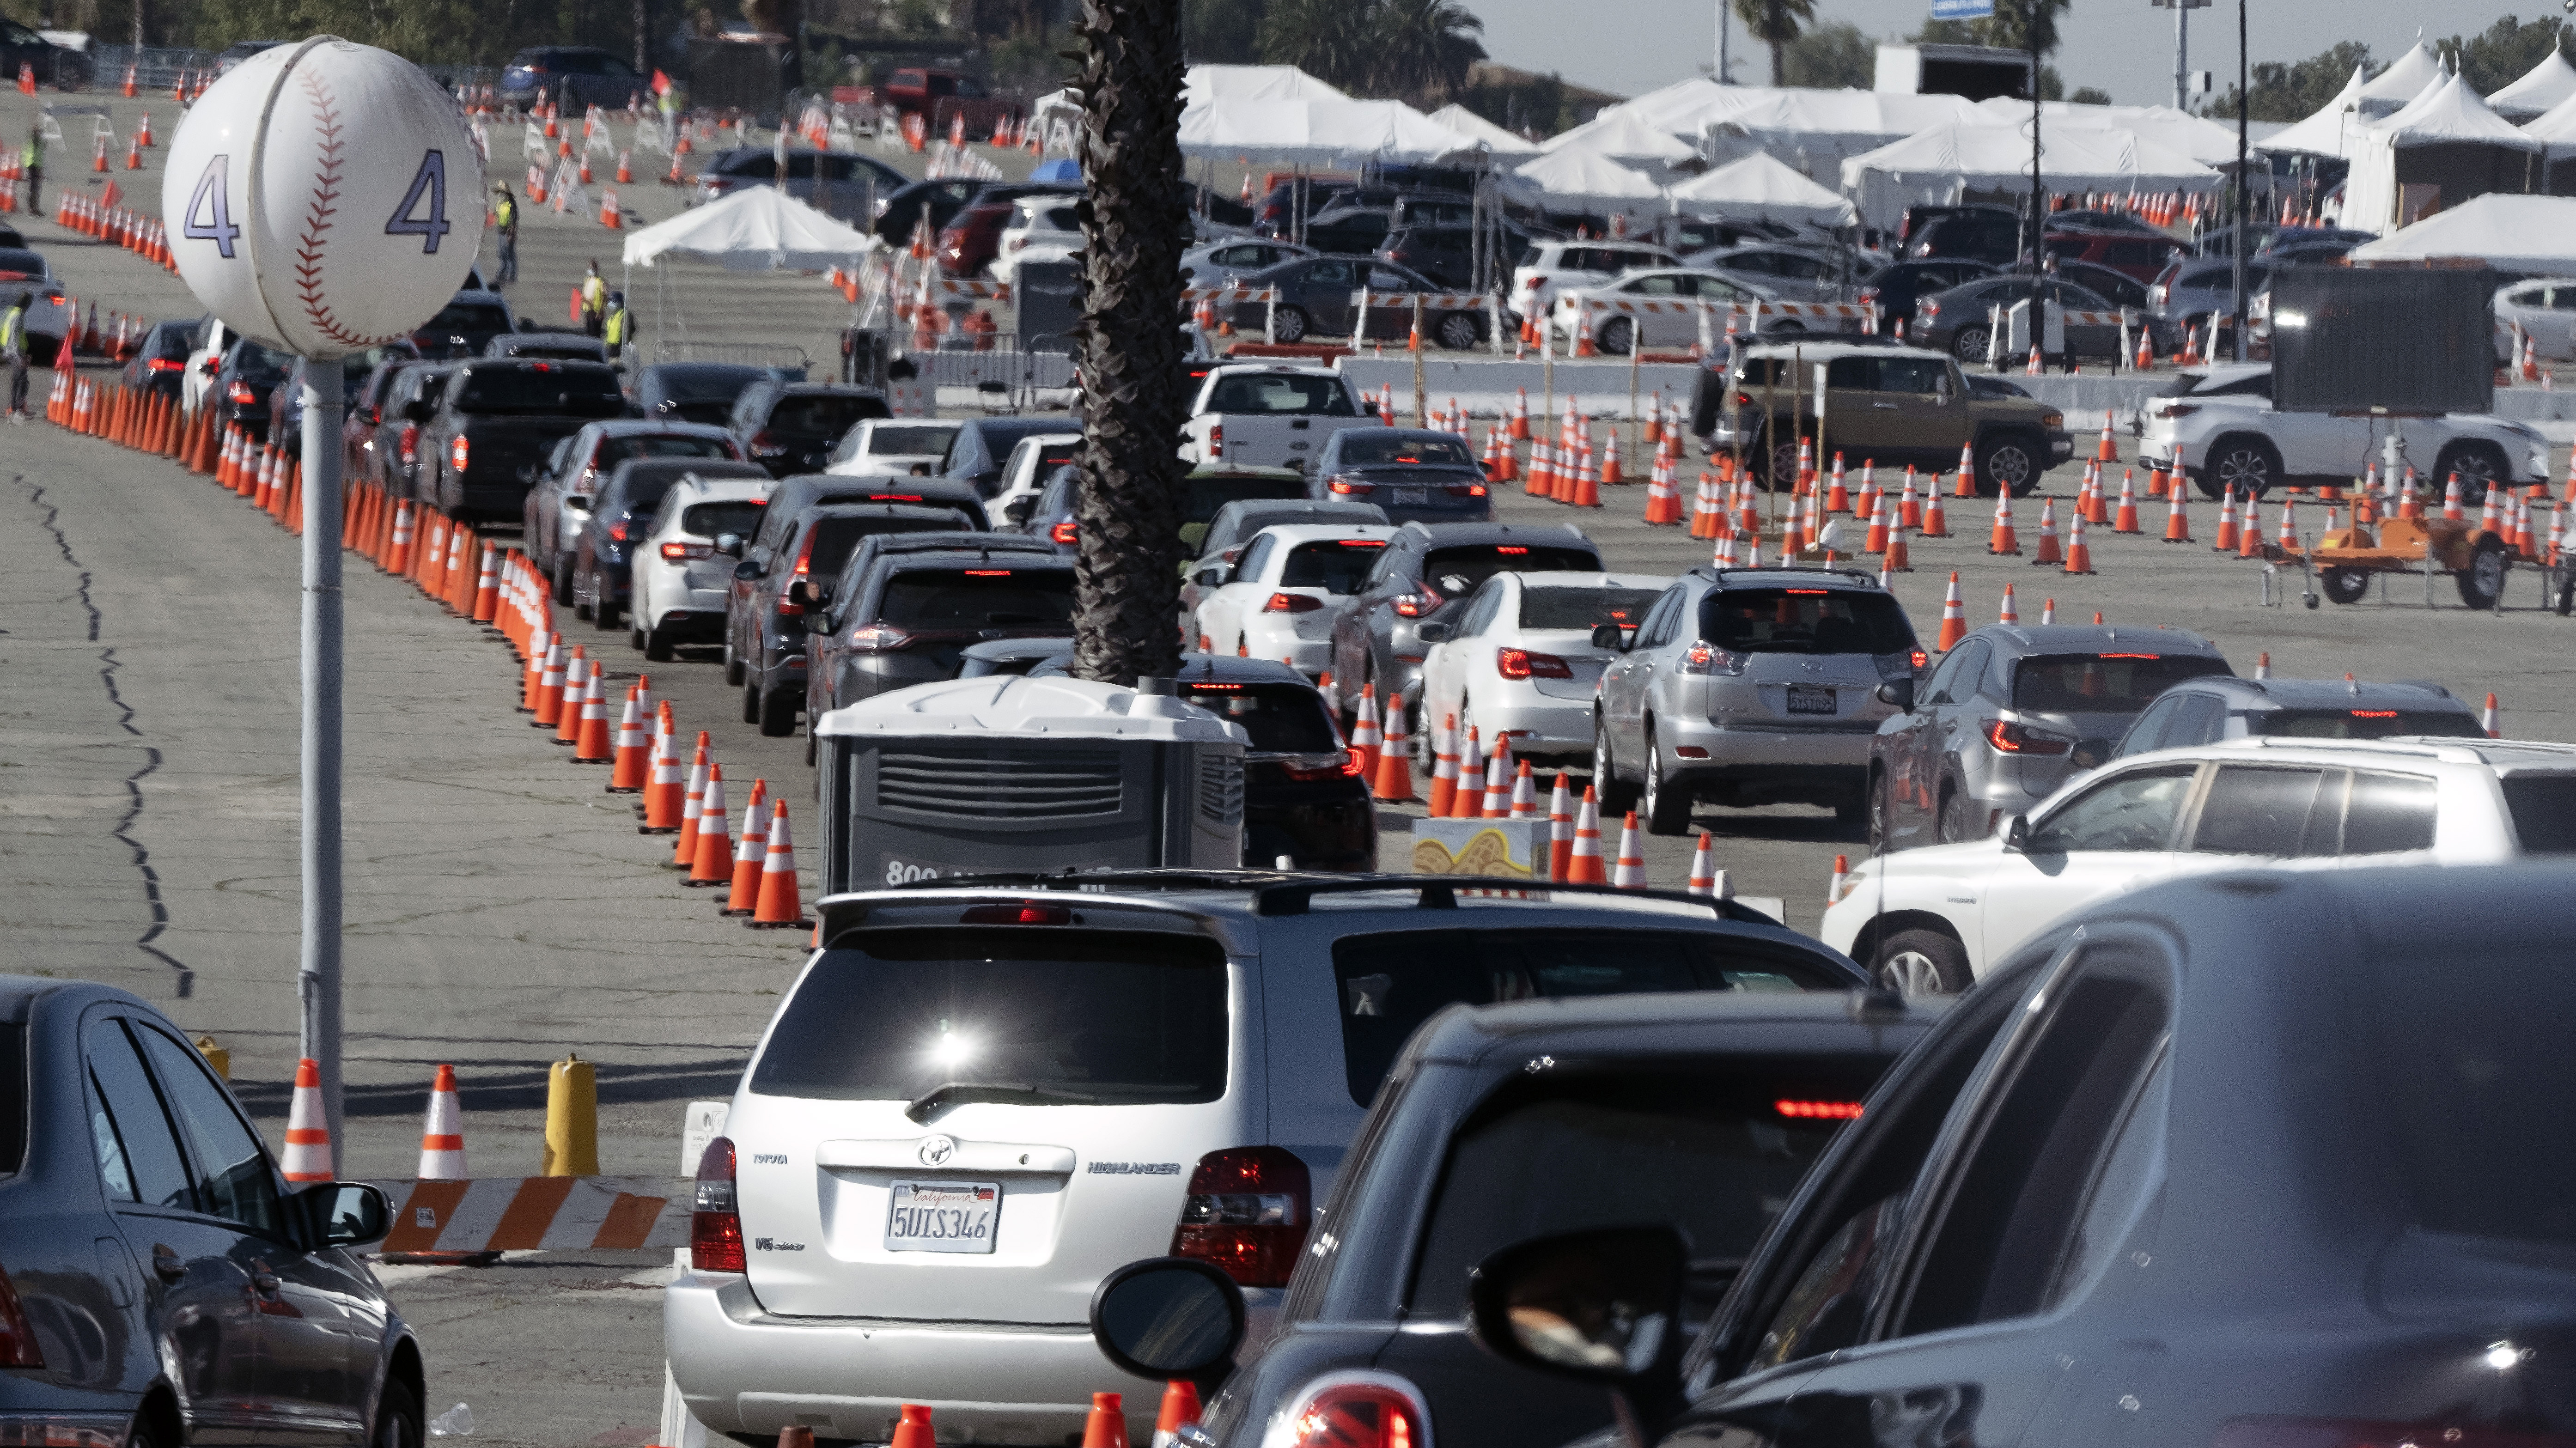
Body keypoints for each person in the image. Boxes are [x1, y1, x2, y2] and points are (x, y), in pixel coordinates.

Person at [1, 290, 29, 422]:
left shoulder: (13, 312)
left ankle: (16, 408)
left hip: (13, 352)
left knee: (19, 381)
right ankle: (15, 409)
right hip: (14, 353)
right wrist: (19, 358)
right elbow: (13, 338)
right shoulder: (17, 316)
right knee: (21, 382)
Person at [492, 182, 519, 287]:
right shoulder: (500, 203)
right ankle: (504, 276)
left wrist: (511, 235)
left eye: (502, 193)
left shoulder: (511, 204)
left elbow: (513, 221)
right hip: (500, 232)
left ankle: (507, 276)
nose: (500, 195)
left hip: (508, 233)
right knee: (503, 256)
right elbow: (496, 214)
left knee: (510, 256)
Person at [579, 260, 607, 338]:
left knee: (595, 332)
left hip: (596, 310)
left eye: (592, 268)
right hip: (588, 309)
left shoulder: (600, 281)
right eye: (590, 268)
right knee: (589, 331)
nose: (591, 270)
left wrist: (601, 310)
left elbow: (604, 296)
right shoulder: (587, 280)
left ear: (596, 269)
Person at [22, 123, 43, 218]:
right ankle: (33, 209)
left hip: (34, 165)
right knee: (34, 188)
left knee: (34, 188)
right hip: (34, 165)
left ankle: (33, 208)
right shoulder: (35, 140)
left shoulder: (34, 141)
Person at [601, 290, 628, 359]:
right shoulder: (613, 316)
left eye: (613, 302)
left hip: (618, 346)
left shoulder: (623, 315)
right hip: (610, 345)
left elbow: (626, 331)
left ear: (619, 303)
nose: (610, 304)